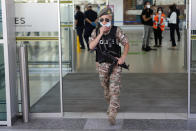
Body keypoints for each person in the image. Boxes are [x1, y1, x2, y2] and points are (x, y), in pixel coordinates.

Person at [89, 7, 129, 125]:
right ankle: (111, 105)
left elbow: (126, 43)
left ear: (111, 19)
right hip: (101, 65)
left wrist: (123, 58)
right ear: (99, 20)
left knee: (114, 88)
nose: (105, 22)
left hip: (115, 65)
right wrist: (100, 33)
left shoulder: (117, 30)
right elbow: (91, 46)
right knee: (106, 89)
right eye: (103, 19)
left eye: (108, 19)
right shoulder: (95, 32)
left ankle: (113, 112)